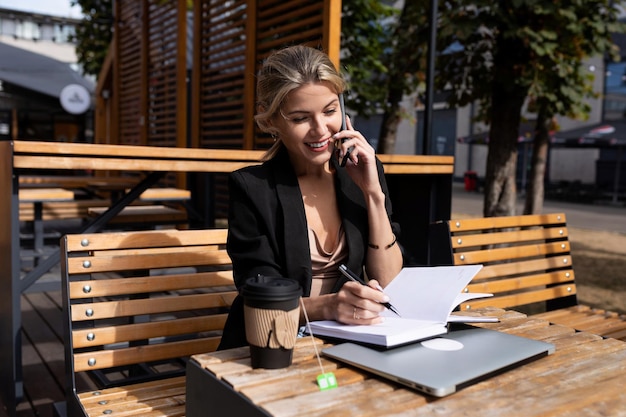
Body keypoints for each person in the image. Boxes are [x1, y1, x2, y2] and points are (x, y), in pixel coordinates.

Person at [218, 45, 403, 349]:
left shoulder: (363, 172)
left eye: (330, 111)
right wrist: (329, 306)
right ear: (272, 122)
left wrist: (373, 195)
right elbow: (260, 296)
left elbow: (389, 282)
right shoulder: (252, 188)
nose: (321, 130)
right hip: (270, 345)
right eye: (300, 118)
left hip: (345, 343)